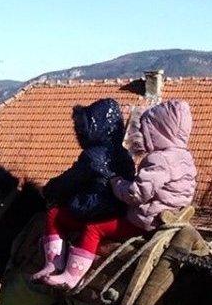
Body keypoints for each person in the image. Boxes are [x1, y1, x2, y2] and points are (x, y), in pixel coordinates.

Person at [31, 98, 137, 289]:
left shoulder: (92, 156)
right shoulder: (124, 154)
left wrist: (49, 189)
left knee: (54, 215)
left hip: (95, 207)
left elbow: (70, 180)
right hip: (119, 210)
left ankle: (54, 264)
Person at [111, 99, 197, 234]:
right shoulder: (186, 157)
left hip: (148, 220)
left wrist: (117, 183)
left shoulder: (159, 159)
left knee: (94, 229)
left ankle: (76, 256)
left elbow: (136, 195)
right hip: (174, 216)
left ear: (156, 131)